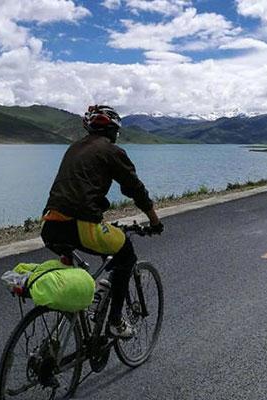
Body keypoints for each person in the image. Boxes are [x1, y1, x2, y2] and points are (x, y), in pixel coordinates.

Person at [40, 105, 163, 338]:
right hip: (81, 225)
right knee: (126, 254)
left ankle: (91, 298)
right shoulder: (111, 152)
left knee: (90, 262)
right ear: (114, 131)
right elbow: (135, 190)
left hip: (50, 226)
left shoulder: (74, 148)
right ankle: (116, 321)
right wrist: (154, 221)